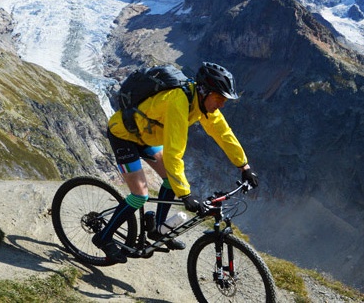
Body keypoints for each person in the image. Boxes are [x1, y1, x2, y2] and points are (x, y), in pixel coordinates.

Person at [93, 62, 259, 263]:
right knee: (140, 195)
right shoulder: (178, 102)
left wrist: (244, 166)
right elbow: (174, 153)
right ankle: (103, 237)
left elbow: (223, 134)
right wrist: (185, 195)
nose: (222, 104)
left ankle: (159, 231)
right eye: (219, 98)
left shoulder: (201, 105)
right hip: (124, 136)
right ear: (205, 91)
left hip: (145, 138)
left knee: (170, 180)